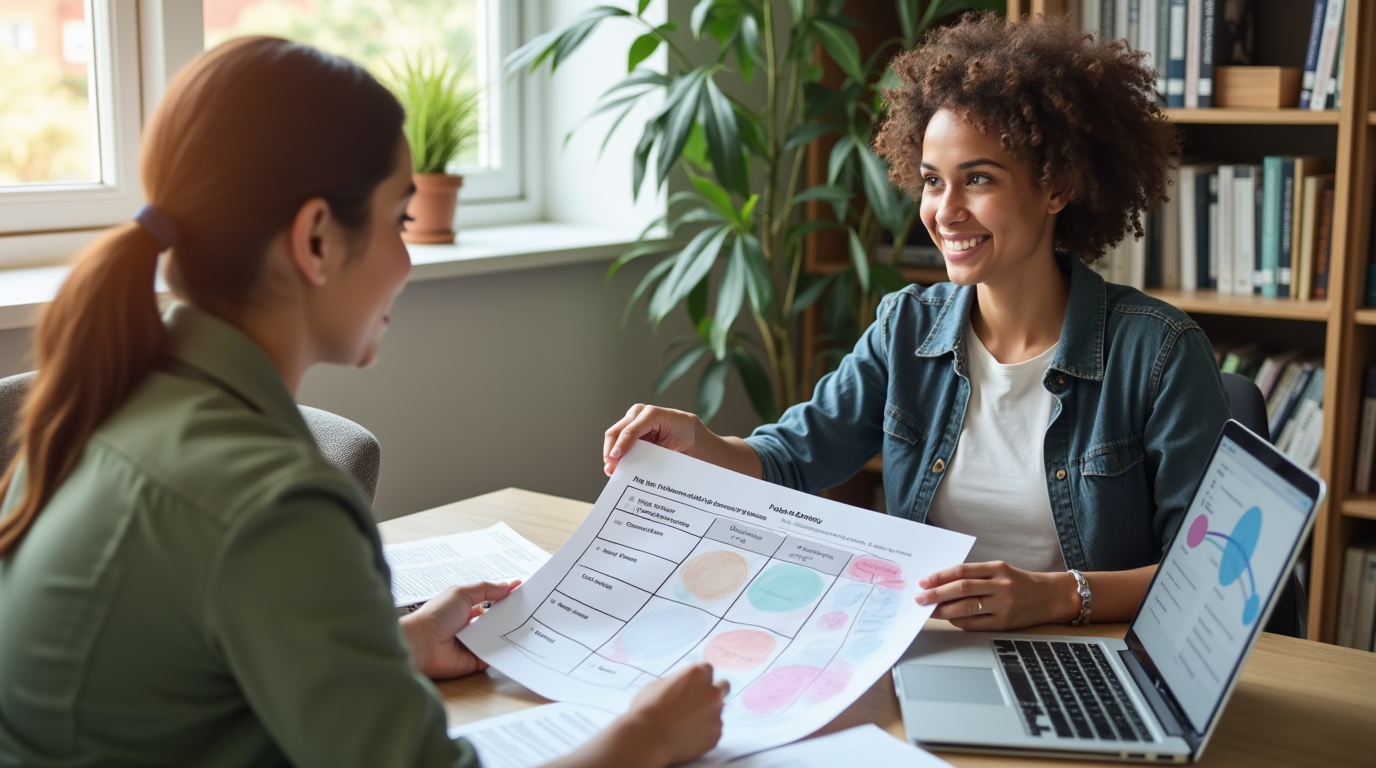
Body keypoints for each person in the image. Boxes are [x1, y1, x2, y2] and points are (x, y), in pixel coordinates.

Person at [0, 37, 726, 768]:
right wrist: (649, 739)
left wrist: (396, 645)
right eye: (398, 220)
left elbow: (176, 676)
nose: (406, 260)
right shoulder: (276, 503)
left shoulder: (100, 396)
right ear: (316, 238)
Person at [602, 13, 1229, 633]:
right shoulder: (906, 329)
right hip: (921, 649)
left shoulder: (1159, 352)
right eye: (933, 182)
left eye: (978, 179)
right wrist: (700, 442)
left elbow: (1205, 573)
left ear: (1056, 184)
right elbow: (790, 459)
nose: (945, 212)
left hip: (1089, 657)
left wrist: (1058, 596)